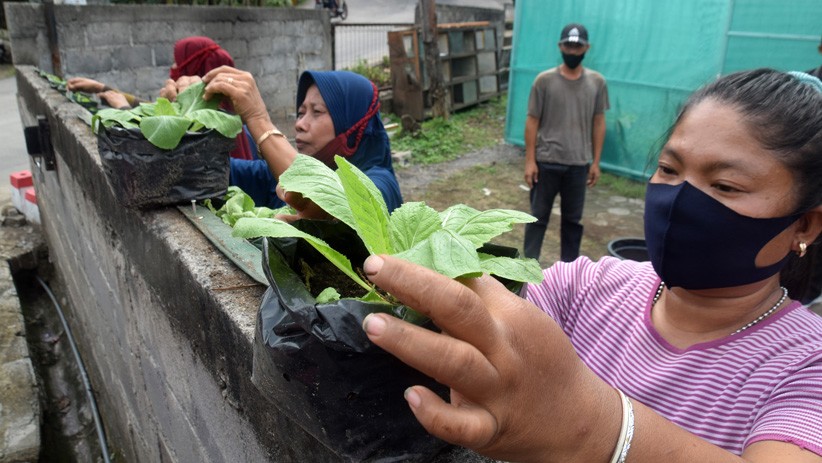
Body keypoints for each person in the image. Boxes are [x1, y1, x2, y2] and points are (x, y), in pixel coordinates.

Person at [357, 69, 822, 462]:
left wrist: (593, 428)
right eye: (669, 169)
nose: (680, 199)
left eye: (724, 185)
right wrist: (349, 233)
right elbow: (481, 329)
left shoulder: (805, 364)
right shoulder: (587, 287)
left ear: (804, 225)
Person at [193, 66, 402, 214]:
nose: (300, 124)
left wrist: (258, 119)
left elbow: (329, 206)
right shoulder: (275, 176)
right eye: (301, 113)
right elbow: (212, 170)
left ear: (353, 126)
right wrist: (191, 109)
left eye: (317, 112)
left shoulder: (380, 185)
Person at [68, 36, 254, 160]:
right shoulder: (224, 111)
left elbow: (158, 144)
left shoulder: (206, 127)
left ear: (195, 68)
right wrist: (102, 88)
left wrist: (124, 110)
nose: (174, 66)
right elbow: (152, 108)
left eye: (178, 62)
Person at [522, 23, 609, 263]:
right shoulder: (544, 81)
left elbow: (599, 121)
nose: (572, 51)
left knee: (572, 223)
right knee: (537, 219)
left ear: (586, 48)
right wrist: (530, 160)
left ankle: (569, 273)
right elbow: (532, 121)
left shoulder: (597, 82)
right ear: (560, 46)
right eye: (568, 46)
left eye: (577, 46)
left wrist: (596, 162)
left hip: (578, 164)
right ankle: (527, 271)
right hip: (546, 162)